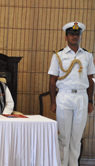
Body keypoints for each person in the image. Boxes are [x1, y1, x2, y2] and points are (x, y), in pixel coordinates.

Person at [48, 22, 95, 166]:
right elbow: (52, 80)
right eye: (71, 34)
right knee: (63, 137)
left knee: (76, 137)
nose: (75, 36)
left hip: (81, 97)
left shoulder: (87, 55)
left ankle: (73, 164)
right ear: (66, 37)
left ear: (80, 37)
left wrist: (90, 101)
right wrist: (53, 101)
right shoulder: (58, 55)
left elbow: (91, 79)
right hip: (64, 96)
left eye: (77, 34)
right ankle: (62, 164)